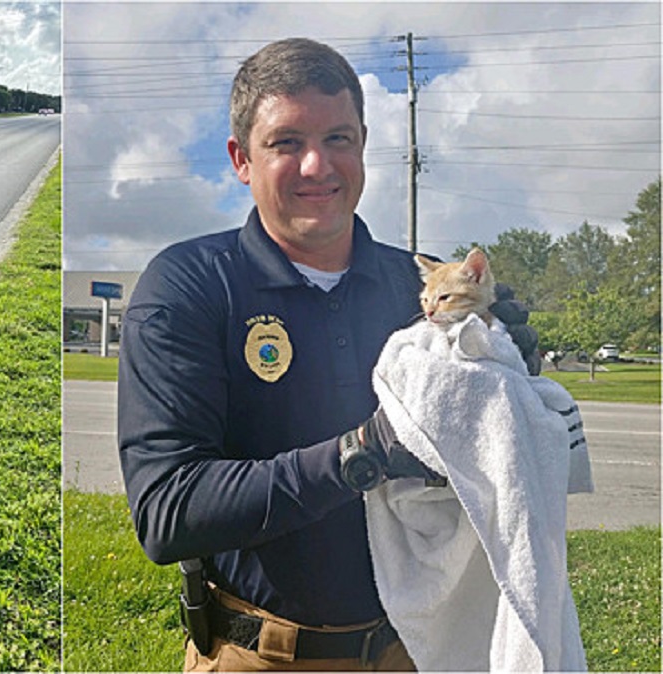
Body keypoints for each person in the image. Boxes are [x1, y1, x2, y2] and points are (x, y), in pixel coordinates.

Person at [117, 38, 538, 671]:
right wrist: (362, 453)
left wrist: (506, 375)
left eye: (338, 138)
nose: (317, 165)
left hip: (423, 648)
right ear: (240, 159)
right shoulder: (189, 286)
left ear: (364, 145)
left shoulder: (415, 288)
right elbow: (168, 509)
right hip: (262, 652)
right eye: (286, 143)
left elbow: (489, 459)